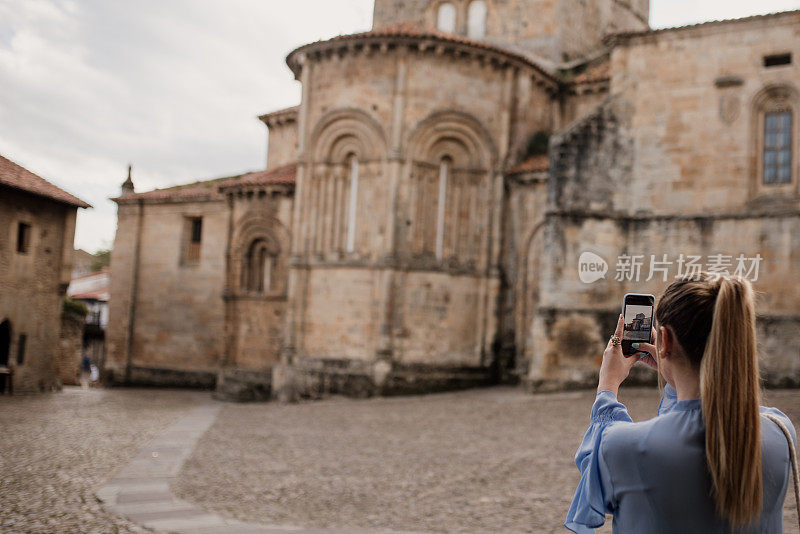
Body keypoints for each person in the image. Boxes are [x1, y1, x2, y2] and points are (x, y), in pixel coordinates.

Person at [565, 275, 797, 533]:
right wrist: (672, 371)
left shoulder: (624, 446)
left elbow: (593, 483)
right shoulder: (781, 431)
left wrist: (607, 387)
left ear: (665, 338)